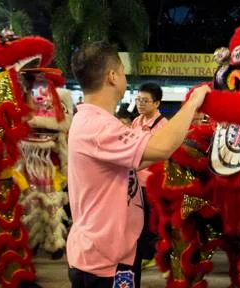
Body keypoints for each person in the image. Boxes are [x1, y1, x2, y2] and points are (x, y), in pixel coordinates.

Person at [66, 41, 211, 288]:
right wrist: (193, 102)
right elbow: (162, 147)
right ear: (112, 76)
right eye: (123, 71)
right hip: (103, 261)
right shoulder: (98, 126)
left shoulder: (95, 121)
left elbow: (145, 157)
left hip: (112, 252)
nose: (125, 76)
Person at [131, 82, 168, 270]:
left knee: (150, 222)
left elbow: (161, 154)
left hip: (152, 182)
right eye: (138, 99)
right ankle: (143, 253)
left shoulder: (163, 125)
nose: (140, 104)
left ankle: (152, 255)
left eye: (145, 101)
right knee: (138, 220)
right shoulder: (137, 121)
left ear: (157, 103)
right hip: (135, 181)